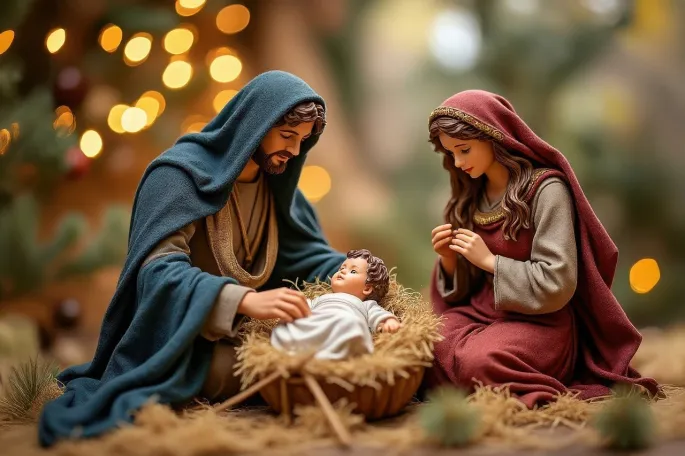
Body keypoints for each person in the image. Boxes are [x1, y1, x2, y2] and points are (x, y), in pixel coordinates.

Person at [39, 71, 346, 446]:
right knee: (281, 371)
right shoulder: (177, 177)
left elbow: (307, 257)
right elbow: (158, 272)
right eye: (287, 136)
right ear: (257, 123)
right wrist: (245, 300)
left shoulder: (278, 188)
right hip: (184, 341)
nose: (294, 152)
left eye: (302, 141)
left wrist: (361, 270)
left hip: (257, 335)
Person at [424, 90, 659, 408]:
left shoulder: (546, 190)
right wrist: (451, 262)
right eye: (451, 154)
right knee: (424, 346)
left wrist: (491, 261)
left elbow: (558, 281)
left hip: (540, 323)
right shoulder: (471, 195)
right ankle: (467, 377)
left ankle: (483, 379)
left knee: (478, 362)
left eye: (464, 150)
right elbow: (463, 293)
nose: (458, 162)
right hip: (481, 315)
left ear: (494, 137)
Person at [271, 249, 401, 360]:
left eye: (353, 271)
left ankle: (327, 353)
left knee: (352, 324)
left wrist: (388, 321)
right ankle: (300, 349)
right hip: (315, 324)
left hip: (341, 325)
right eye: (342, 268)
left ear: (367, 288)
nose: (342, 271)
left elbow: (377, 313)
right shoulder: (321, 298)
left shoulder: (365, 305)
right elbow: (304, 307)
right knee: (288, 323)